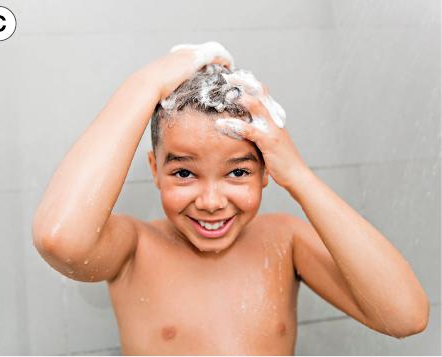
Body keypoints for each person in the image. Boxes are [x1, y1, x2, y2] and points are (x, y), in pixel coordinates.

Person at [32, 42, 429, 355]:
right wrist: (146, 85)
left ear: (267, 170)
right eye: (184, 172)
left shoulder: (284, 241)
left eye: (238, 172)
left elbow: (406, 316)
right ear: (154, 169)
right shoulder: (135, 249)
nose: (210, 201)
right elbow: (59, 238)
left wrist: (301, 177)